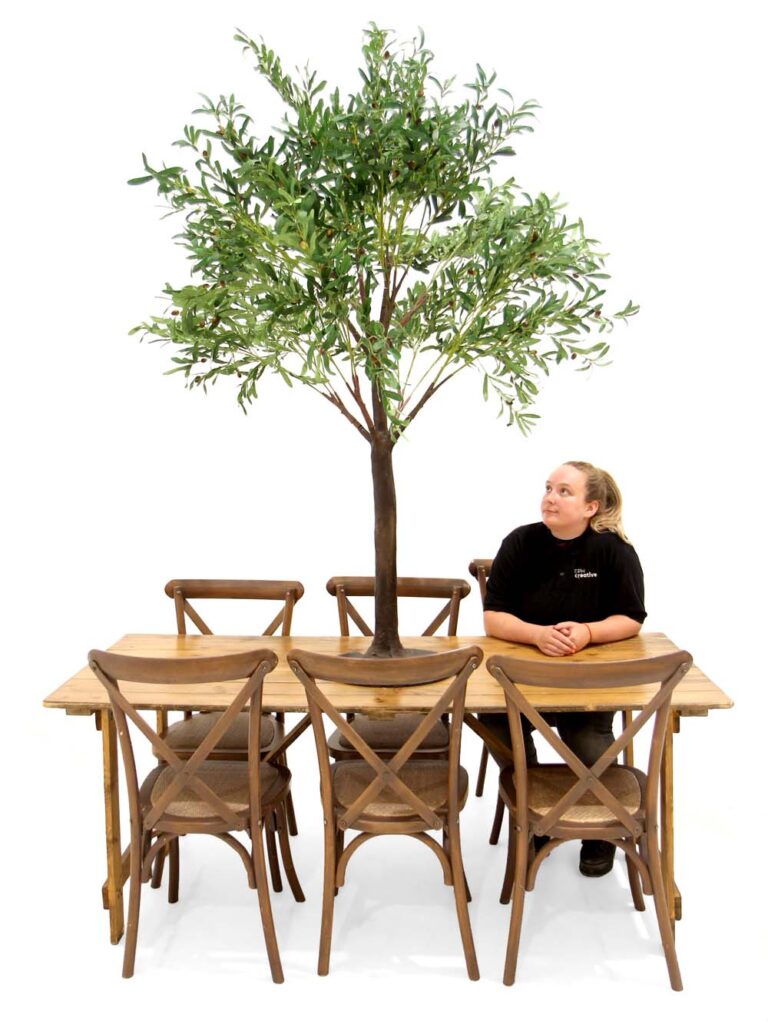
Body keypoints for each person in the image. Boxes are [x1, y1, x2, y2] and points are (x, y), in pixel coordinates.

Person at [482, 461, 646, 877]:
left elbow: (631, 618)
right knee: (494, 723)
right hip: (521, 679)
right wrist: (537, 635)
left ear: (591, 507)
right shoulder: (520, 542)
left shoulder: (613, 551)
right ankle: (534, 814)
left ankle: (601, 831)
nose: (550, 498)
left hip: (586, 682)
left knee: (587, 740)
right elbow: (493, 617)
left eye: (564, 491)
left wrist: (589, 632)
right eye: (548, 488)